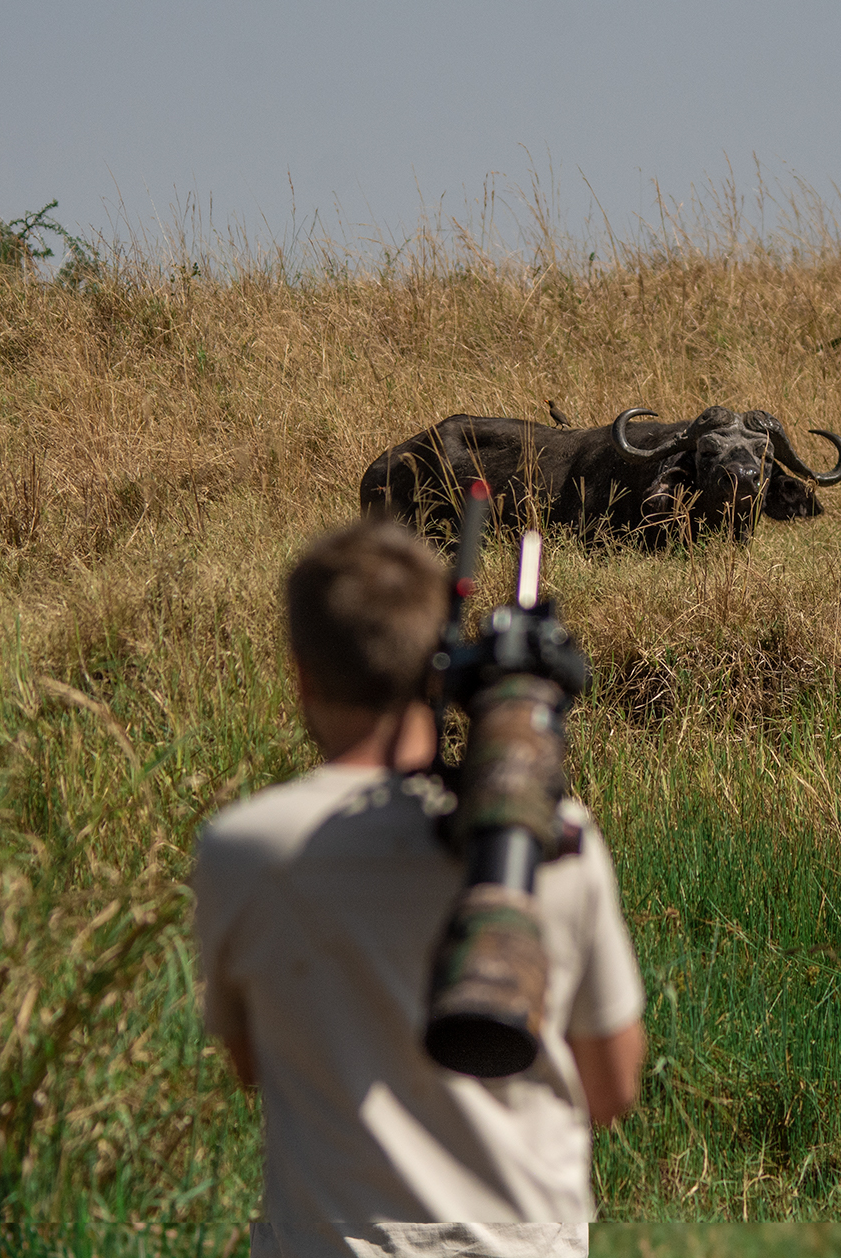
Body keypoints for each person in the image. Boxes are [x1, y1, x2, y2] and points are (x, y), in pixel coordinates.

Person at [190, 517, 646, 1257]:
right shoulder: (554, 837)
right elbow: (613, 1089)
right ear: (442, 668)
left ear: (301, 673)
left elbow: (253, 1067)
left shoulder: (242, 850)